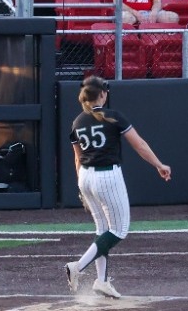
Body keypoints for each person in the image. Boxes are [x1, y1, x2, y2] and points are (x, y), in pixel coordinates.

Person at [66, 76, 172, 299]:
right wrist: (159, 164)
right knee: (119, 230)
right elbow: (140, 145)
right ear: (102, 94)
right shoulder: (113, 116)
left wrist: (80, 187)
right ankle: (78, 266)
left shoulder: (77, 121)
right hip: (107, 176)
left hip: (85, 176)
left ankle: (102, 282)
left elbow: (77, 159)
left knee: (103, 230)